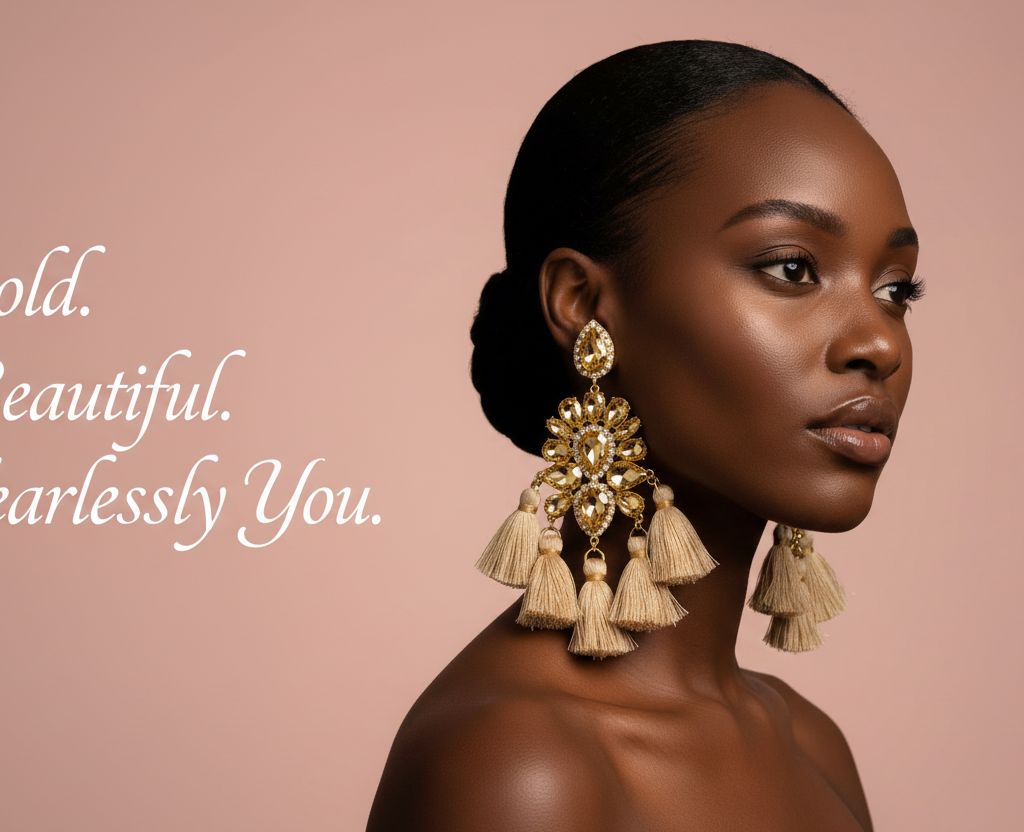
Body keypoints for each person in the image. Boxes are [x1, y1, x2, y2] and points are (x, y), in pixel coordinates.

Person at [367, 40, 921, 832]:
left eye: (898, 288)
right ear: (586, 305)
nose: (881, 342)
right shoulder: (522, 769)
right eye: (793, 268)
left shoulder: (811, 745)